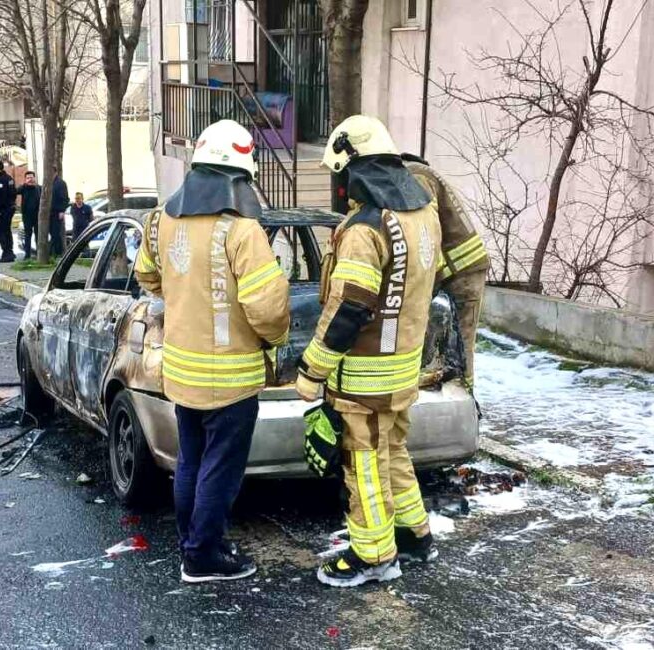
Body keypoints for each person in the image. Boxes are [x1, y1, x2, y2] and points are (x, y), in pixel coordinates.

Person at [134, 120, 290, 583]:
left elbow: (148, 276)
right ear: (236, 176)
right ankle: (203, 556)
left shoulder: (161, 218)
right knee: (220, 471)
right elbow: (266, 307)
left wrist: (185, 298)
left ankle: (194, 546)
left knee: (192, 463)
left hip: (182, 372)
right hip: (232, 377)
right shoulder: (241, 230)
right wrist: (277, 339)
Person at [297, 115, 442, 588]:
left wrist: (312, 369)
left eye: (338, 175)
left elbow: (349, 309)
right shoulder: (422, 214)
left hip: (363, 378)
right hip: (402, 370)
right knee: (393, 451)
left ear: (352, 168)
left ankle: (374, 555)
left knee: (364, 466)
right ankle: (414, 534)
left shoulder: (365, 229)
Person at [402, 154, 490, 387]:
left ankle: (465, 400)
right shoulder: (421, 173)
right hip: (458, 270)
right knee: (452, 342)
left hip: (462, 273)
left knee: (461, 343)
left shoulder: (416, 177)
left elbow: (427, 233)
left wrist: (423, 285)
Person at [0, 159, 17, 262]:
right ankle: (8, 251)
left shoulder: (4, 179)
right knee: (5, 231)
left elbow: (10, 194)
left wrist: (0, 208)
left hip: (5, 209)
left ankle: (7, 251)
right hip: (3, 209)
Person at [18, 171, 41, 260]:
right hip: (27, 216)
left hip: (38, 216)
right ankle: (27, 254)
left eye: (31, 177)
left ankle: (39, 254)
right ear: (25, 179)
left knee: (38, 235)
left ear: (34, 178)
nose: (30, 179)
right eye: (28, 178)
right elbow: (16, 191)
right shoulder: (23, 188)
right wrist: (24, 185)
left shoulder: (39, 188)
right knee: (28, 235)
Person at [50, 168, 69, 256]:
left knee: (56, 232)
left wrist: (62, 210)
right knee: (52, 232)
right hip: (50, 212)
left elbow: (64, 198)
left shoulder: (60, 183)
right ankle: (53, 251)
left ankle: (58, 252)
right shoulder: (49, 183)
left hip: (57, 211)